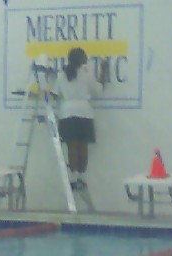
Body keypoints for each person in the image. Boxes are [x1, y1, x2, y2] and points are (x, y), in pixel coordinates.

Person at [51, 47, 107, 190]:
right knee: (83, 147)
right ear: (81, 60)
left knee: (72, 147)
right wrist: (103, 71)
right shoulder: (86, 75)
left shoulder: (61, 75)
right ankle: (82, 178)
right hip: (84, 112)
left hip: (67, 112)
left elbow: (55, 94)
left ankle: (73, 178)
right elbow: (99, 90)